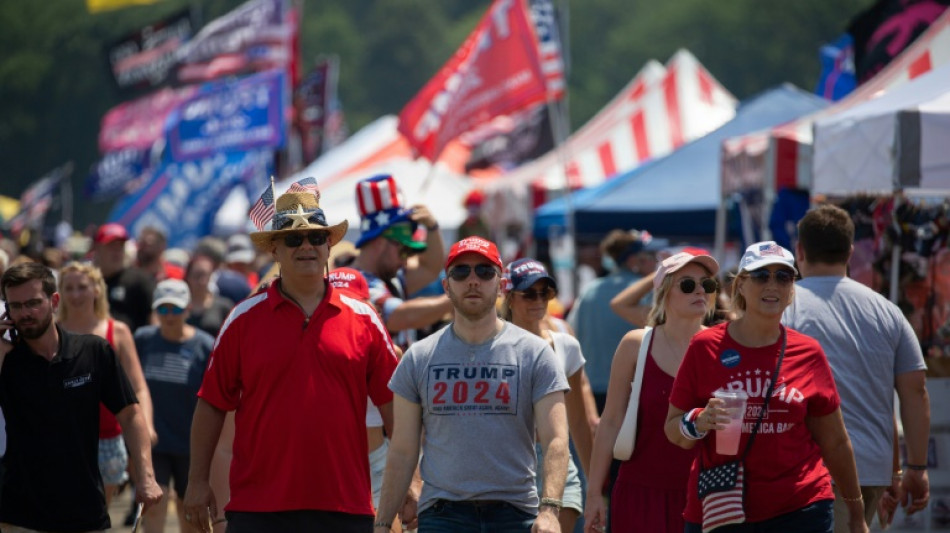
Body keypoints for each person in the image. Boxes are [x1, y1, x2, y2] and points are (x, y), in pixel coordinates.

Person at [182, 183, 399, 532]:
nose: (307, 246)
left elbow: (395, 407)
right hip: (258, 508)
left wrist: (411, 481)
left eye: (315, 237)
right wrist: (196, 481)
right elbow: (211, 404)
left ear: (329, 245)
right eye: (294, 239)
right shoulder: (242, 320)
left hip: (345, 505)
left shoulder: (364, 318)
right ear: (275, 250)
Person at [665, 241, 868, 533]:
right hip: (724, 509)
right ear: (742, 286)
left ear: (791, 291)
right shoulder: (705, 347)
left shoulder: (808, 352)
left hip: (801, 507)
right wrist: (698, 421)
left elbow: (835, 441)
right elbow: (674, 430)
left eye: (783, 277)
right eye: (761, 276)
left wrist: (856, 510)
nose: (772, 284)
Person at [375, 236, 570, 533]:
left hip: (515, 512)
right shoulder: (418, 357)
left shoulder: (535, 352)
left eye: (484, 271)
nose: (473, 280)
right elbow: (402, 449)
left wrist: (550, 510)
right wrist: (383, 523)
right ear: (446, 285)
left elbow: (556, 438)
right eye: (461, 272)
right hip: (443, 514)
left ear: (501, 284)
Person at [783, 204, 930, 530]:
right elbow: (914, 392)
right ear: (850, 252)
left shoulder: (784, 308)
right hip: (870, 471)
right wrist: (912, 468)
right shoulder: (887, 312)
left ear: (800, 250)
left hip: (805, 469)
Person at [0, 262, 162, 531]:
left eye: (32, 303)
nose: (24, 313)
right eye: (15, 306)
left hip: (85, 510)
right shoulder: (7, 358)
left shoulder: (92, 351)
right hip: (19, 515)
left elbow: (130, 413)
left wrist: (145, 476)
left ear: (53, 301)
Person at [586, 251, 720, 533]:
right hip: (640, 494)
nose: (700, 291)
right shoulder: (636, 345)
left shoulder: (722, 348)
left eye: (707, 285)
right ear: (664, 293)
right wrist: (595, 493)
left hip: (705, 496)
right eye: (687, 284)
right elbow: (610, 422)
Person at [502, 258, 595, 533]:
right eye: (529, 293)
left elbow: (578, 422)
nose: (539, 300)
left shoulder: (566, 345)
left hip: (558, 463)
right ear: (508, 298)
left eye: (546, 293)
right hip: (511, 464)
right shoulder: (493, 348)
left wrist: (594, 487)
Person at [57, 261, 157, 505]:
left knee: (99, 514)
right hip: (61, 438)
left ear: (97, 289)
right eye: (68, 288)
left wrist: (147, 426)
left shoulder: (118, 331)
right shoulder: (52, 331)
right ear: (59, 294)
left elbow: (139, 387)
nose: (76, 294)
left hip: (108, 438)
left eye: (82, 287)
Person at [135, 279, 214, 533]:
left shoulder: (204, 345)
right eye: (163, 309)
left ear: (188, 309)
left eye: (176, 309)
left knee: (189, 509)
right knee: (154, 505)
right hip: (155, 442)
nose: (169, 316)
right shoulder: (143, 339)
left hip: (191, 444)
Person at [352, 174, 453, 348]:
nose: (406, 261)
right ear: (381, 242)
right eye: (404, 250)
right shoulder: (354, 282)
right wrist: (457, 299)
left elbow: (430, 268)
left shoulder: (391, 277)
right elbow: (399, 316)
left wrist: (432, 227)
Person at [568, 229, 663, 411]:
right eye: (651, 255)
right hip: (630, 393)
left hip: (591, 390)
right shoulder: (649, 293)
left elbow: (573, 333)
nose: (656, 260)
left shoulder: (589, 290)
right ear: (635, 261)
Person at [92, 222, 156, 333]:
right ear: (97, 248)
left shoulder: (139, 280)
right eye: (111, 246)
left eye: (120, 246)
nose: (117, 252)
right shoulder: (86, 281)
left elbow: (154, 317)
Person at [183, 253, 236, 337]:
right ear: (188, 277)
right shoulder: (179, 306)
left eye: (205, 275)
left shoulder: (224, 306)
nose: (201, 281)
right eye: (197, 276)